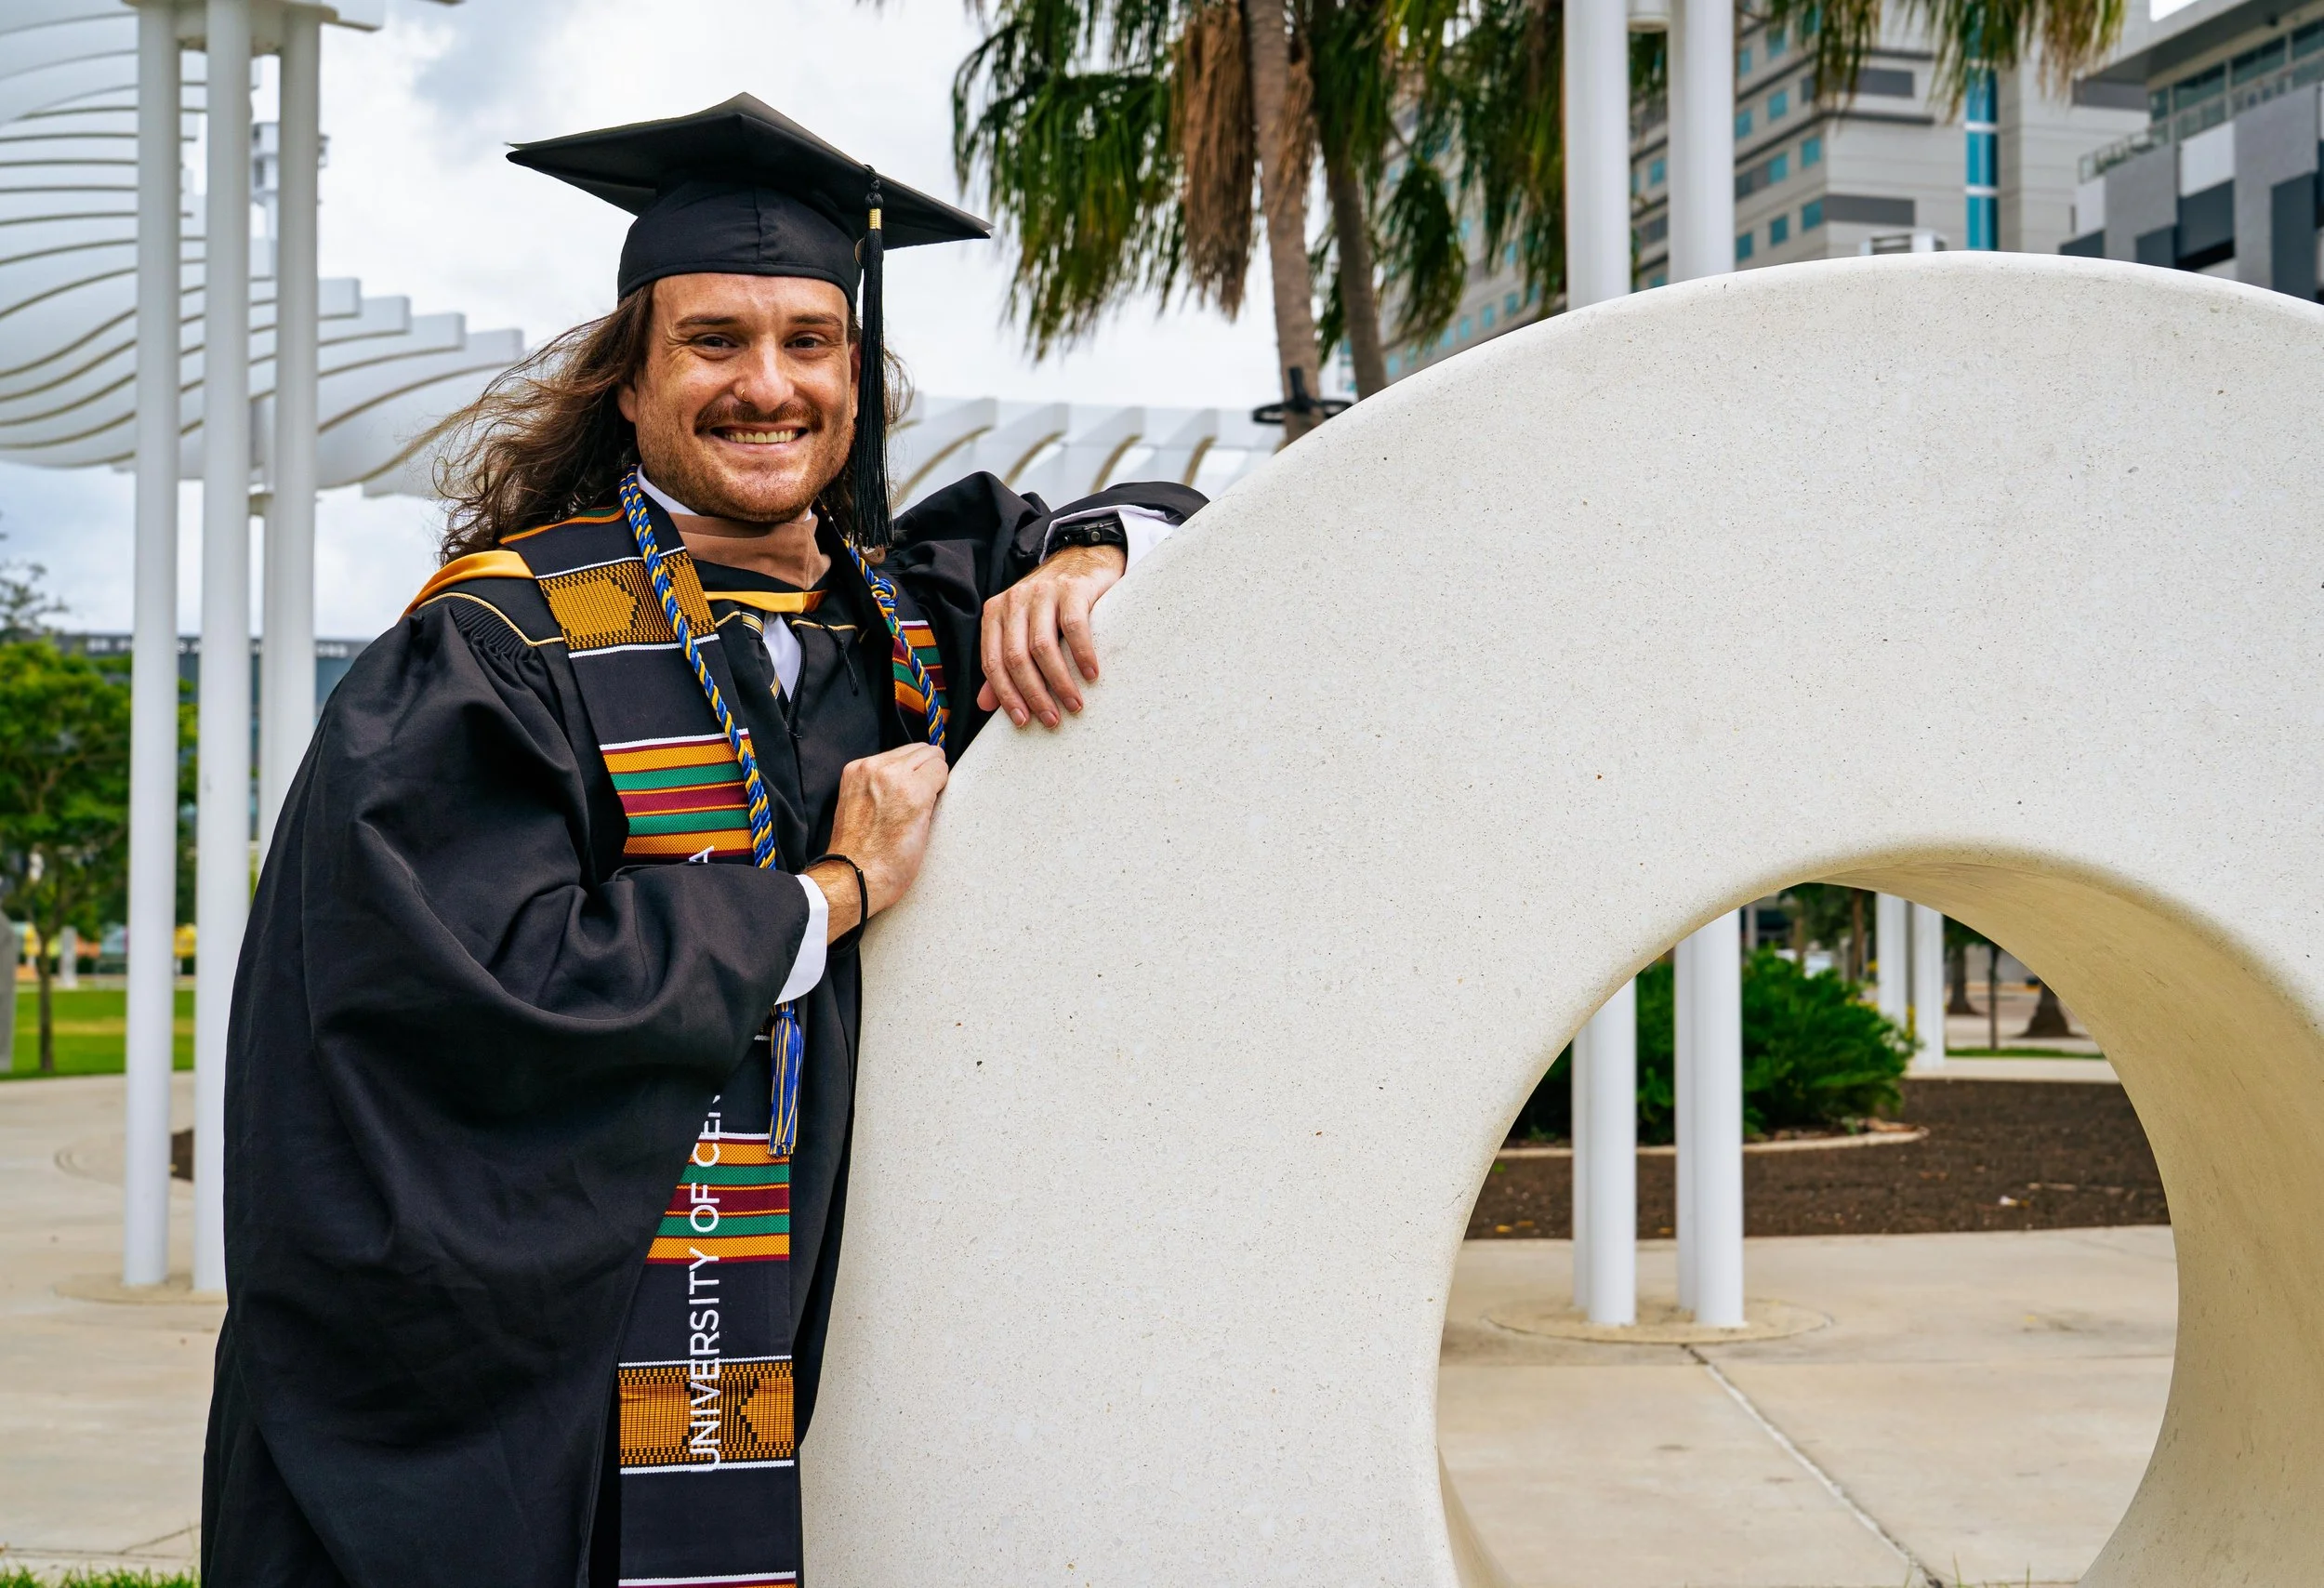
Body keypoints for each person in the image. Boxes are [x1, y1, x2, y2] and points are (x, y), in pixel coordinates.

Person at [201, 94, 1205, 1588]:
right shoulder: (508, 640)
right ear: (630, 378)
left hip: (867, 1320)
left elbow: (1170, 516)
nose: (767, 385)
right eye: (715, 341)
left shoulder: (905, 615)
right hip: (588, 1342)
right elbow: (462, 985)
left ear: (856, 378)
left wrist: (1089, 556)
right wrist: (831, 891)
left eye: (810, 341)